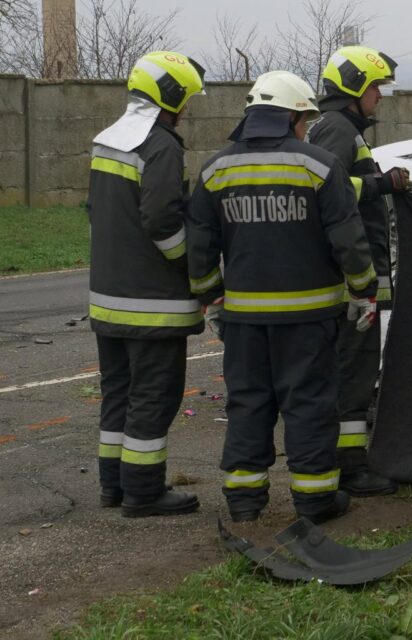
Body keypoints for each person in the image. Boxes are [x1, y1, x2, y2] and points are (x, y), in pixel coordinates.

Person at [186, 70, 379, 524]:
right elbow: (348, 240)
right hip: (310, 318)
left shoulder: (215, 169)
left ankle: (244, 501)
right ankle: (315, 501)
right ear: (294, 116)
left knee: (248, 403)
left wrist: (210, 296)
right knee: (309, 404)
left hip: (244, 320)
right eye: (304, 119)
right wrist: (364, 289)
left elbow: (199, 245)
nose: (306, 127)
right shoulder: (318, 166)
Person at [87, 51, 207, 518]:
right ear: (170, 95)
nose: (187, 109)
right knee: (153, 398)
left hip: (108, 301)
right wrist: (193, 269)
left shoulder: (107, 141)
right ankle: (143, 491)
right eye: (186, 98)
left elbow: (98, 213)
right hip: (152, 305)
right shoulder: (160, 147)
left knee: (118, 393)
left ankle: (112, 486)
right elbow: (163, 223)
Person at [306, 46, 408, 497]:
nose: (380, 97)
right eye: (374, 88)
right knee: (355, 371)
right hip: (351, 284)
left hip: (357, 280)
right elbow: (320, 185)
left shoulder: (343, 129)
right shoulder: (336, 130)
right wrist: (380, 184)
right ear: (353, 89)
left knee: (356, 369)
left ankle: (347, 461)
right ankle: (350, 467)